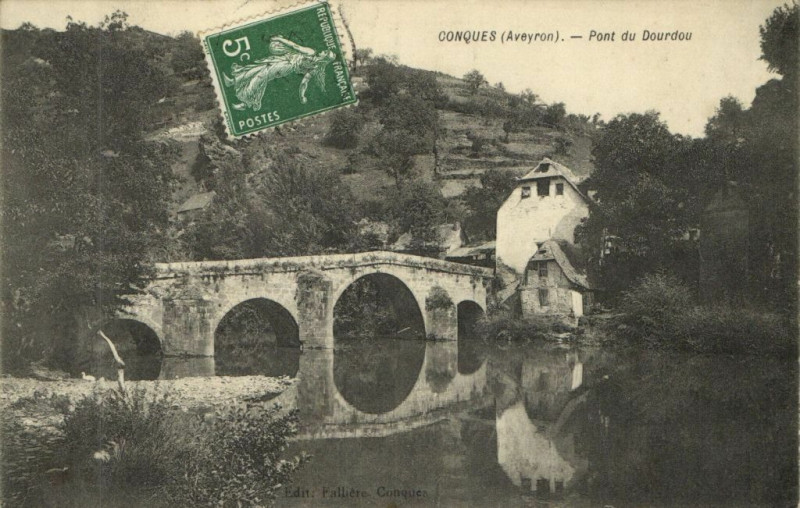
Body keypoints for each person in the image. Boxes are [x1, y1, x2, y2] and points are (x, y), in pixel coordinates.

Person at [223, 35, 335, 111]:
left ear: (324, 57)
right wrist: (302, 96)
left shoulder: (311, 54)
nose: (322, 51)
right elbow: (304, 83)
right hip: (283, 60)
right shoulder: (314, 66)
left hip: (286, 65)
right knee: (258, 67)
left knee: (261, 76)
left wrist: (280, 39)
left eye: (325, 52)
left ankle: (245, 102)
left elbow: (294, 46)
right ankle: (233, 81)